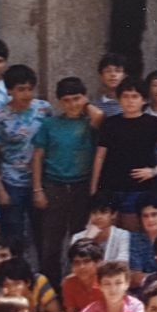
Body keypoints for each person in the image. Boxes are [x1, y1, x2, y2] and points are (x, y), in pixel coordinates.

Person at [90, 78, 157, 231]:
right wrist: (93, 188)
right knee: (106, 233)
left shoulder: (153, 122)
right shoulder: (110, 123)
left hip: (139, 189)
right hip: (110, 187)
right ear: (119, 99)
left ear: (143, 99)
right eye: (126, 96)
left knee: (131, 234)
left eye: (135, 96)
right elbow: (100, 156)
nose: (130, 101)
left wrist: (156, 170)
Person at [32, 76, 96, 284]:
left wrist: (85, 105)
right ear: (60, 102)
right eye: (67, 100)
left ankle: (78, 285)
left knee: (81, 240)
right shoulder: (50, 124)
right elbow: (38, 157)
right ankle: (50, 289)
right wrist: (37, 189)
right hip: (54, 186)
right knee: (51, 242)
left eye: (77, 98)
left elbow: (100, 115)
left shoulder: (90, 124)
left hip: (82, 186)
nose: (72, 104)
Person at [0, 65, 50, 250]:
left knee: (43, 233)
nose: (26, 94)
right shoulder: (0, 117)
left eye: (30, 89)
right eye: (21, 89)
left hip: (41, 180)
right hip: (12, 182)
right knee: (13, 234)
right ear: (10, 90)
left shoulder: (43, 109)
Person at [68, 194, 132, 268]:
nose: (98, 217)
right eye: (94, 212)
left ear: (114, 214)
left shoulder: (122, 235)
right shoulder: (78, 237)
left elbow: (123, 265)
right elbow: (77, 265)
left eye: (103, 212)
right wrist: (87, 240)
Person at [93, 52, 128, 120]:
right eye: (108, 71)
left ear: (124, 76)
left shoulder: (130, 105)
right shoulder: (95, 106)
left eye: (118, 71)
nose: (113, 74)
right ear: (101, 76)